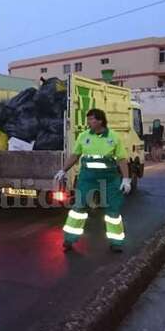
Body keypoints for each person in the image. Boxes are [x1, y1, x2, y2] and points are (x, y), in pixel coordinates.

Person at [53, 108, 132, 252]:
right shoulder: (83, 136)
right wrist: (63, 170)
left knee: (113, 211)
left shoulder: (113, 137)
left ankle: (116, 243)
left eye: (91, 119)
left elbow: (121, 159)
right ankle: (69, 240)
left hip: (110, 180)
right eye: (88, 119)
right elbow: (75, 155)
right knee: (79, 208)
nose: (88, 122)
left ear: (100, 121)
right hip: (87, 179)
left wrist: (126, 179)